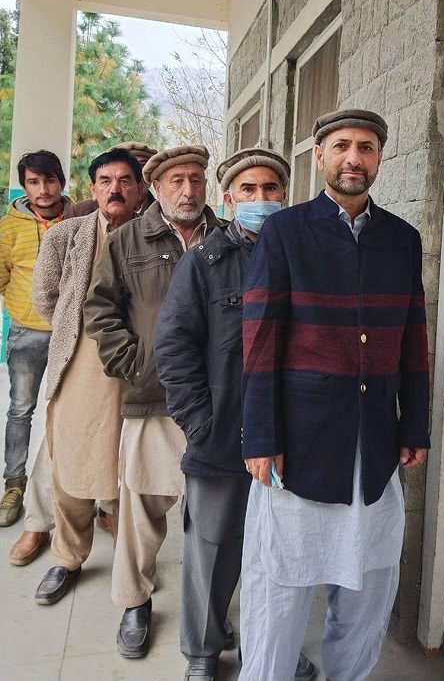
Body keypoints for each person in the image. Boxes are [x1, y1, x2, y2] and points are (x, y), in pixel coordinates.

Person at [239, 109, 430, 681]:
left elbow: (413, 337)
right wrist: (262, 437)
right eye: (342, 146)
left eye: (367, 147)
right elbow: (260, 343)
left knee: (369, 583)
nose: (354, 158)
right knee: (282, 588)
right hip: (300, 443)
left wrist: (414, 423)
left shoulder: (402, 238)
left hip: (373, 443)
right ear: (318, 156)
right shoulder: (285, 231)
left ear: (378, 159)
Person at [155, 148, 316, 681]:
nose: (261, 199)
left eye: (271, 189)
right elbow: (174, 348)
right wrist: (200, 422)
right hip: (222, 435)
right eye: (248, 190)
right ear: (228, 199)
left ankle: (271, 649)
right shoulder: (204, 261)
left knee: (281, 553)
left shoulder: (305, 257)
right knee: (212, 549)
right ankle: (202, 654)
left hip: (290, 435)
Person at [84, 145, 223, 660]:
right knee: (141, 504)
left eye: (196, 179)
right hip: (153, 395)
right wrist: (131, 361)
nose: (188, 190)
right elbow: (100, 308)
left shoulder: (228, 237)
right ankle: (136, 601)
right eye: (176, 181)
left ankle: (212, 611)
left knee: (214, 512)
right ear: (156, 188)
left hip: (217, 400)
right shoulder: (126, 240)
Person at [30, 149, 142, 604]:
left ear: (140, 189)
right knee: (72, 462)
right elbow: (45, 294)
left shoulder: (154, 236)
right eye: (104, 180)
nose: (114, 188)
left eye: (124, 181)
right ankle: (68, 557)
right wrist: (82, 327)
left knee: (131, 463)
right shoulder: (68, 236)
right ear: (93, 188)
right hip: (79, 361)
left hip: (136, 369)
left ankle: (133, 565)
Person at [0, 150, 71, 527]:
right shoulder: (8, 227)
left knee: (70, 413)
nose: (43, 190)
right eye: (33, 181)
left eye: (49, 180)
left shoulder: (80, 220)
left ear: (62, 180)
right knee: (20, 410)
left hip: (72, 335)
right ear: (25, 185)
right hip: (26, 334)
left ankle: (69, 488)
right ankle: (14, 485)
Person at [66, 141, 156, 218]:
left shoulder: (162, 212)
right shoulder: (79, 212)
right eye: (106, 181)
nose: (139, 174)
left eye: (143, 166)